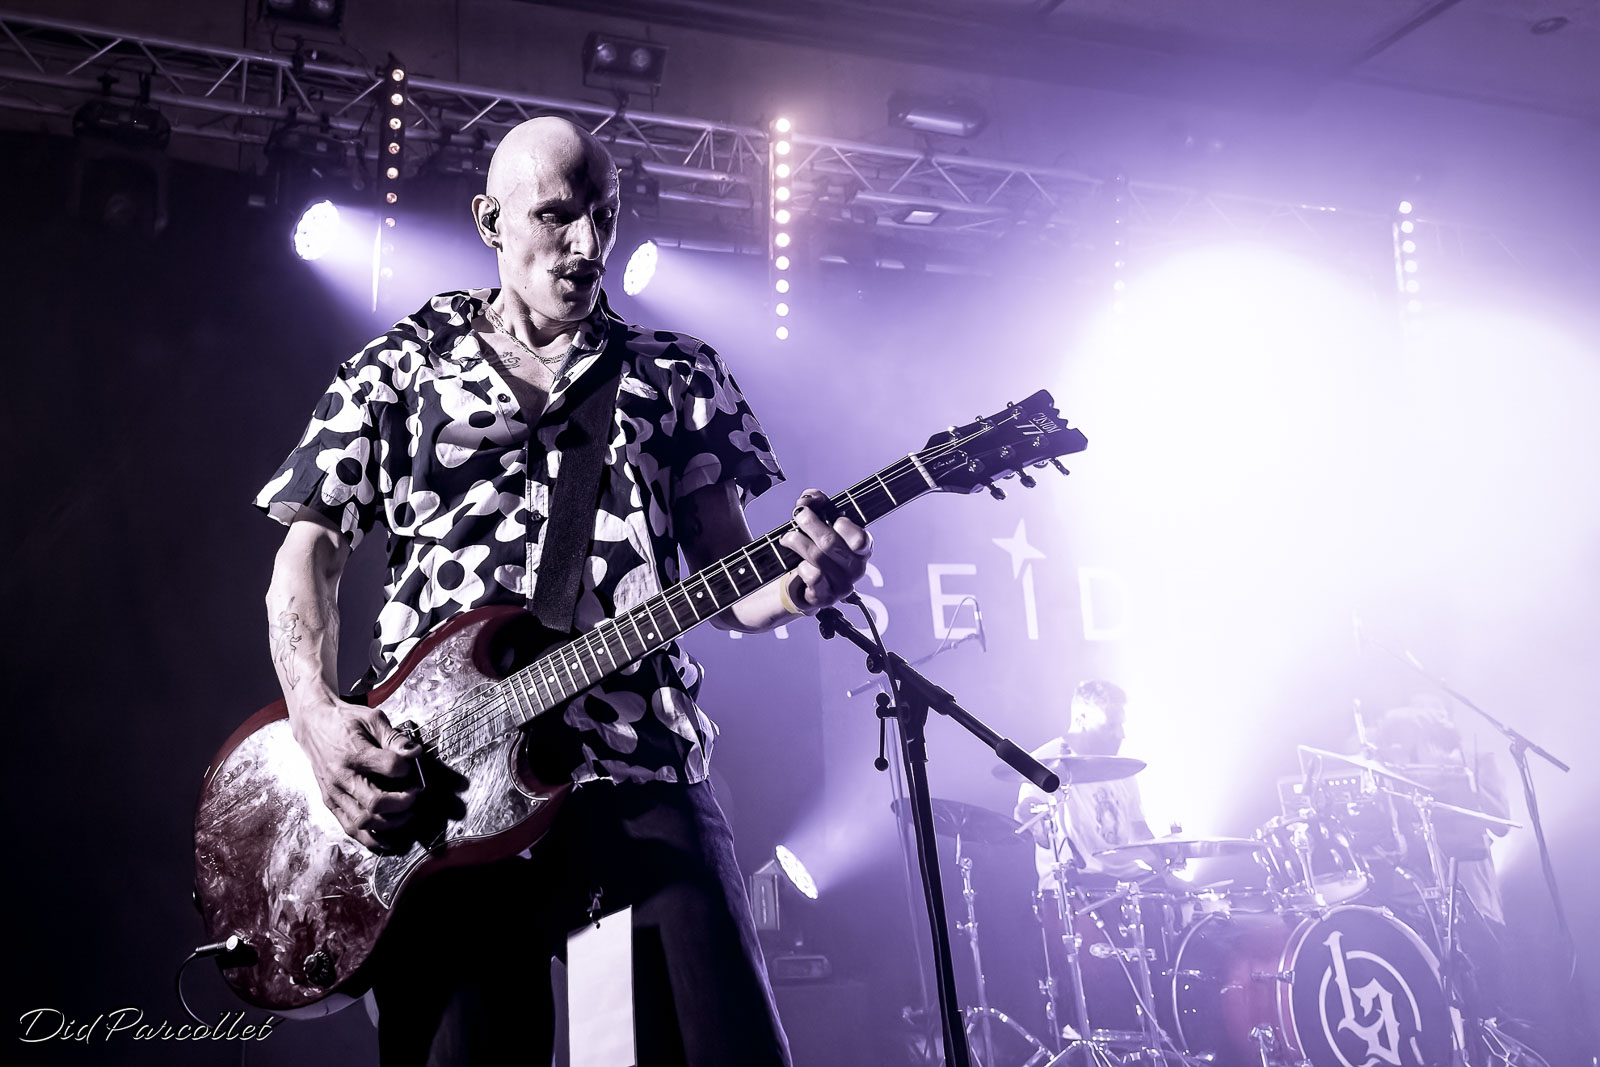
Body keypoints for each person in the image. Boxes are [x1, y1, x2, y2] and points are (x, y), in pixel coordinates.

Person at [256, 117, 871, 1066]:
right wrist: (314, 713)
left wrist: (803, 584)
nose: (587, 243)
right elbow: (308, 554)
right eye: (555, 215)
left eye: (605, 216)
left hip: (633, 767)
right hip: (446, 788)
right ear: (490, 221)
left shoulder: (676, 375)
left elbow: (736, 583)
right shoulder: (401, 366)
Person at [1013, 680, 1154, 889]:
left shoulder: (1122, 767)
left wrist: (1167, 871)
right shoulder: (1045, 762)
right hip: (1078, 885)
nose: (1121, 734)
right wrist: (1034, 822)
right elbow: (1026, 809)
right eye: (1110, 726)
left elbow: (1139, 829)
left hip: (1128, 879)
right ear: (1082, 719)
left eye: (1121, 725)